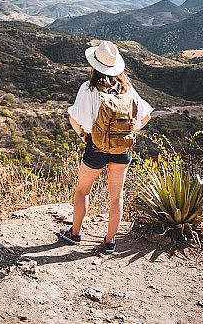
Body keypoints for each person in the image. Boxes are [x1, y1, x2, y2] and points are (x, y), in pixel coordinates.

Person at [58, 40, 153, 253]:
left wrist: (83, 135)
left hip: (96, 148)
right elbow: (145, 117)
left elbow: (75, 119)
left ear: (95, 65)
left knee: (83, 191)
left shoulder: (88, 88)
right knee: (116, 197)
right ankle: (110, 242)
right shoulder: (127, 89)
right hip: (122, 150)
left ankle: (74, 234)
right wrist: (128, 133)